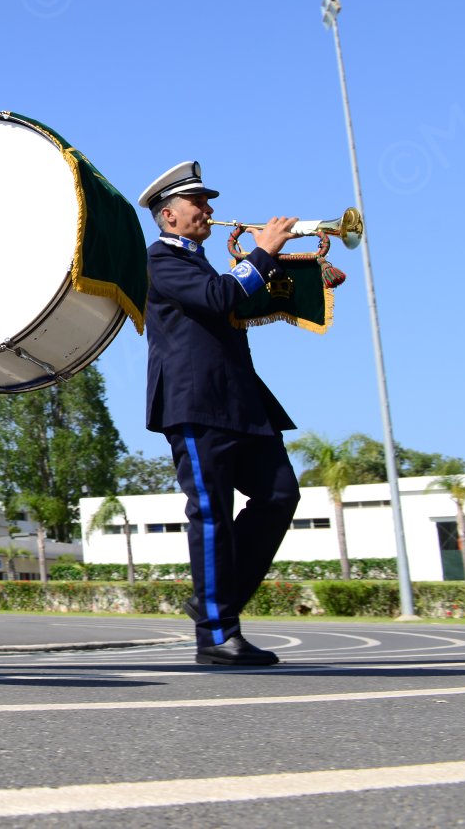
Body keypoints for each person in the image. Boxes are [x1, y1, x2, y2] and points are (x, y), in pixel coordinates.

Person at [137, 161, 302, 667]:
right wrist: (264, 252)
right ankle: (215, 634)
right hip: (195, 403)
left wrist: (300, 279)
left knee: (279, 495)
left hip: (239, 401)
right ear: (169, 217)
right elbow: (219, 297)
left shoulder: (203, 262)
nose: (210, 211)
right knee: (211, 515)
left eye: (208, 203)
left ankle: (216, 602)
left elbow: (237, 301)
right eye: (199, 204)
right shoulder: (160, 260)